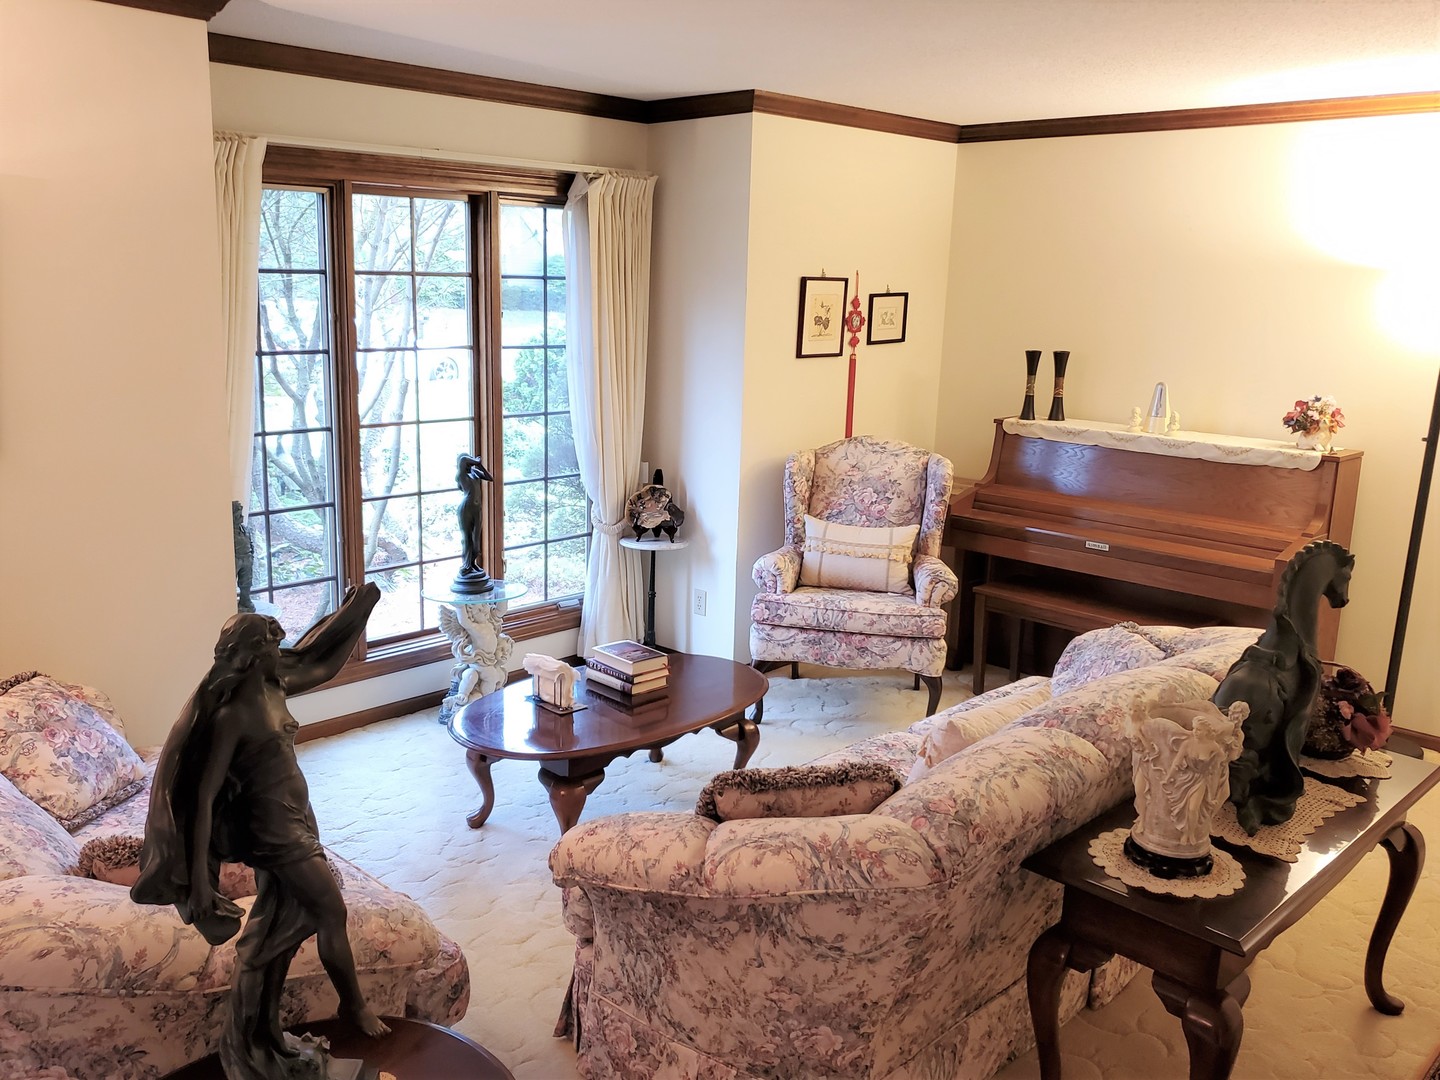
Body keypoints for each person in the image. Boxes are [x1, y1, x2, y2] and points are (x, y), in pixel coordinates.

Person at [133, 583, 387, 1080]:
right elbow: (201, 797)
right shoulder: (230, 716)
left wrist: (357, 610)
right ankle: (352, 1006)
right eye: (272, 649)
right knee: (329, 907)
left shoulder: (273, 686)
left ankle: (260, 1036)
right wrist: (203, 883)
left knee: (275, 928)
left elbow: (319, 662)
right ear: (251, 657)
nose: (282, 654)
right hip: (273, 833)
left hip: (297, 817)